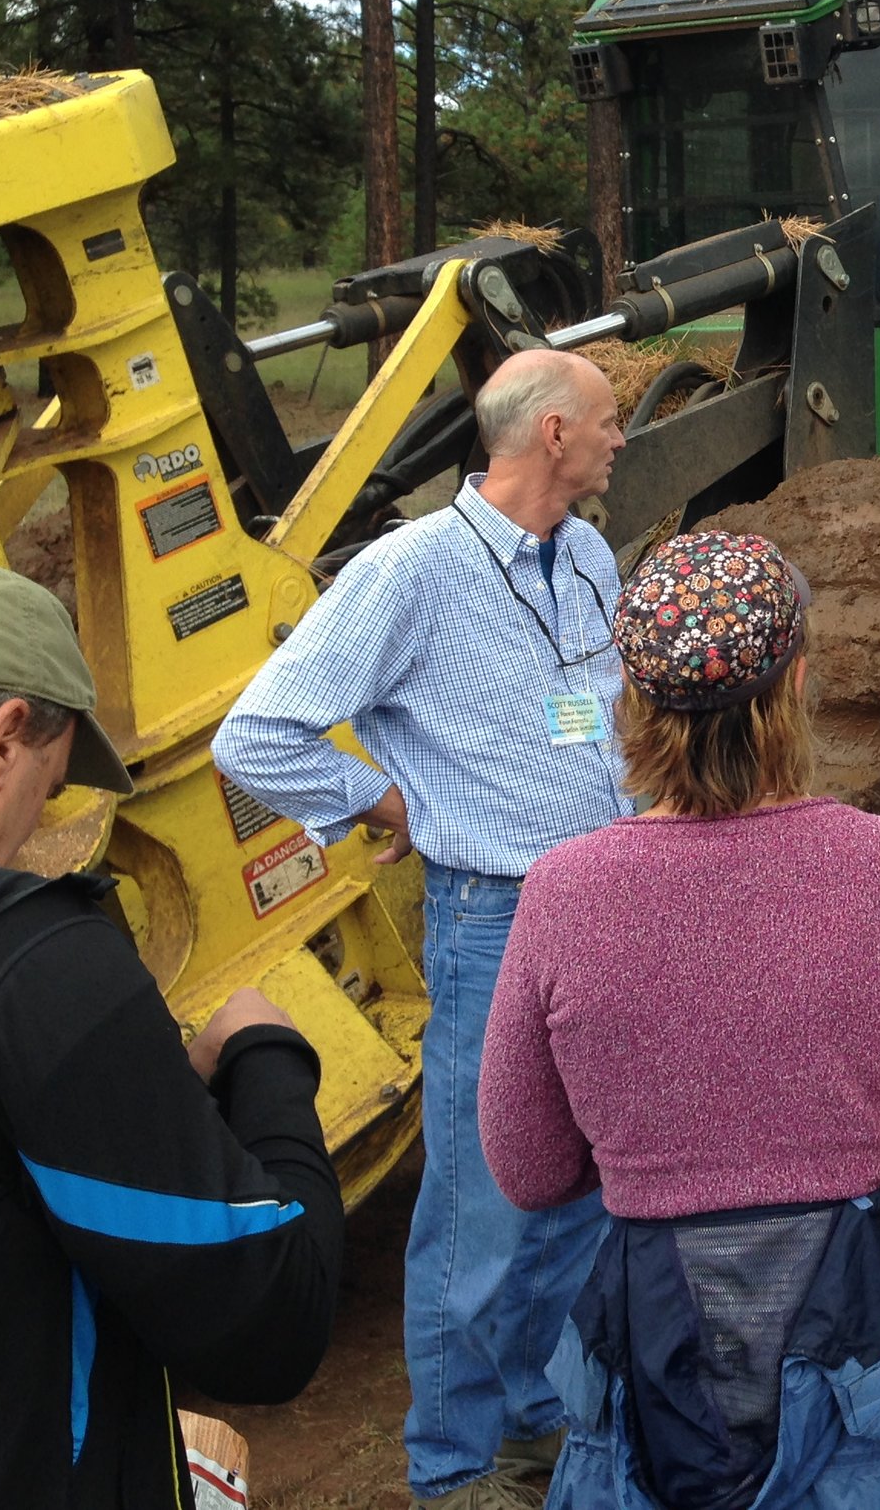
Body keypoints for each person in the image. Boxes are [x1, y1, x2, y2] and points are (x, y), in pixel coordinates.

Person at [481, 530, 880, 1508]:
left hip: (662, 1353)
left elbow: (531, 1172)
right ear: (798, 685)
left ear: (635, 704)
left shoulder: (564, 891)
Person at [214, 347, 629, 1509]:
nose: (617, 438)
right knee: (481, 1199)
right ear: (550, 434)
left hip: (604, 907)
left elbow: (597, 720)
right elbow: (258, 737)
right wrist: (387, 800)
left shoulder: (589, 555)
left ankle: (538, 1416)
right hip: (493, 918)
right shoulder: (411, 570)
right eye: (604, 420)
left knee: (586, 1184)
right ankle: (450, 1466)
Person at [0, 560, 342, 1507]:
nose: (25, 837)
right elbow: (270, 1317)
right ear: (4, 739)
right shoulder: (28, 967)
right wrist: (265, 1059)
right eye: (47, 793)